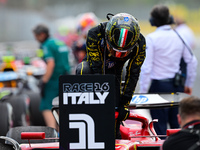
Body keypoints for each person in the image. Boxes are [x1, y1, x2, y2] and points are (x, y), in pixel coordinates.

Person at [76, 13, 146, 138]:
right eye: (114, 50)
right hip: (95, 69)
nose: (118, 55)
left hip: (117, 70)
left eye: (123, 52)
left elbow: (133, 73)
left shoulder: (141, 43)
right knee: (83, 69)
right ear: (107, 37)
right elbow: (97, 71)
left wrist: (124, 104)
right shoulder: (94, 34)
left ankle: (115, 134)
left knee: (117, 105)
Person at [139, 5, 198, 137]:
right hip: (177, 87)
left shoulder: (152, 38)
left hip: (158, 87)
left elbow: (146, 68)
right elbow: (192, 61)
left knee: (159, 128)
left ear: (152, 21)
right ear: (170, 19)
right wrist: (188, 84)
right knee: (177, 126)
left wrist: (143, 92)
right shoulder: (179, 36)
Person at [33, 24, 71, 129]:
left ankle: (52, 134)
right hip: (65, 78)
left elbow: (51, 63)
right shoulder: (59, 42)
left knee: (46, 106)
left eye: (36, 36)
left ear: (42, 34)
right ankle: (62, 135)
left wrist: (44, 81)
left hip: (54, 79)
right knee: (60, 107)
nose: (35, 38)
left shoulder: (46, 45)